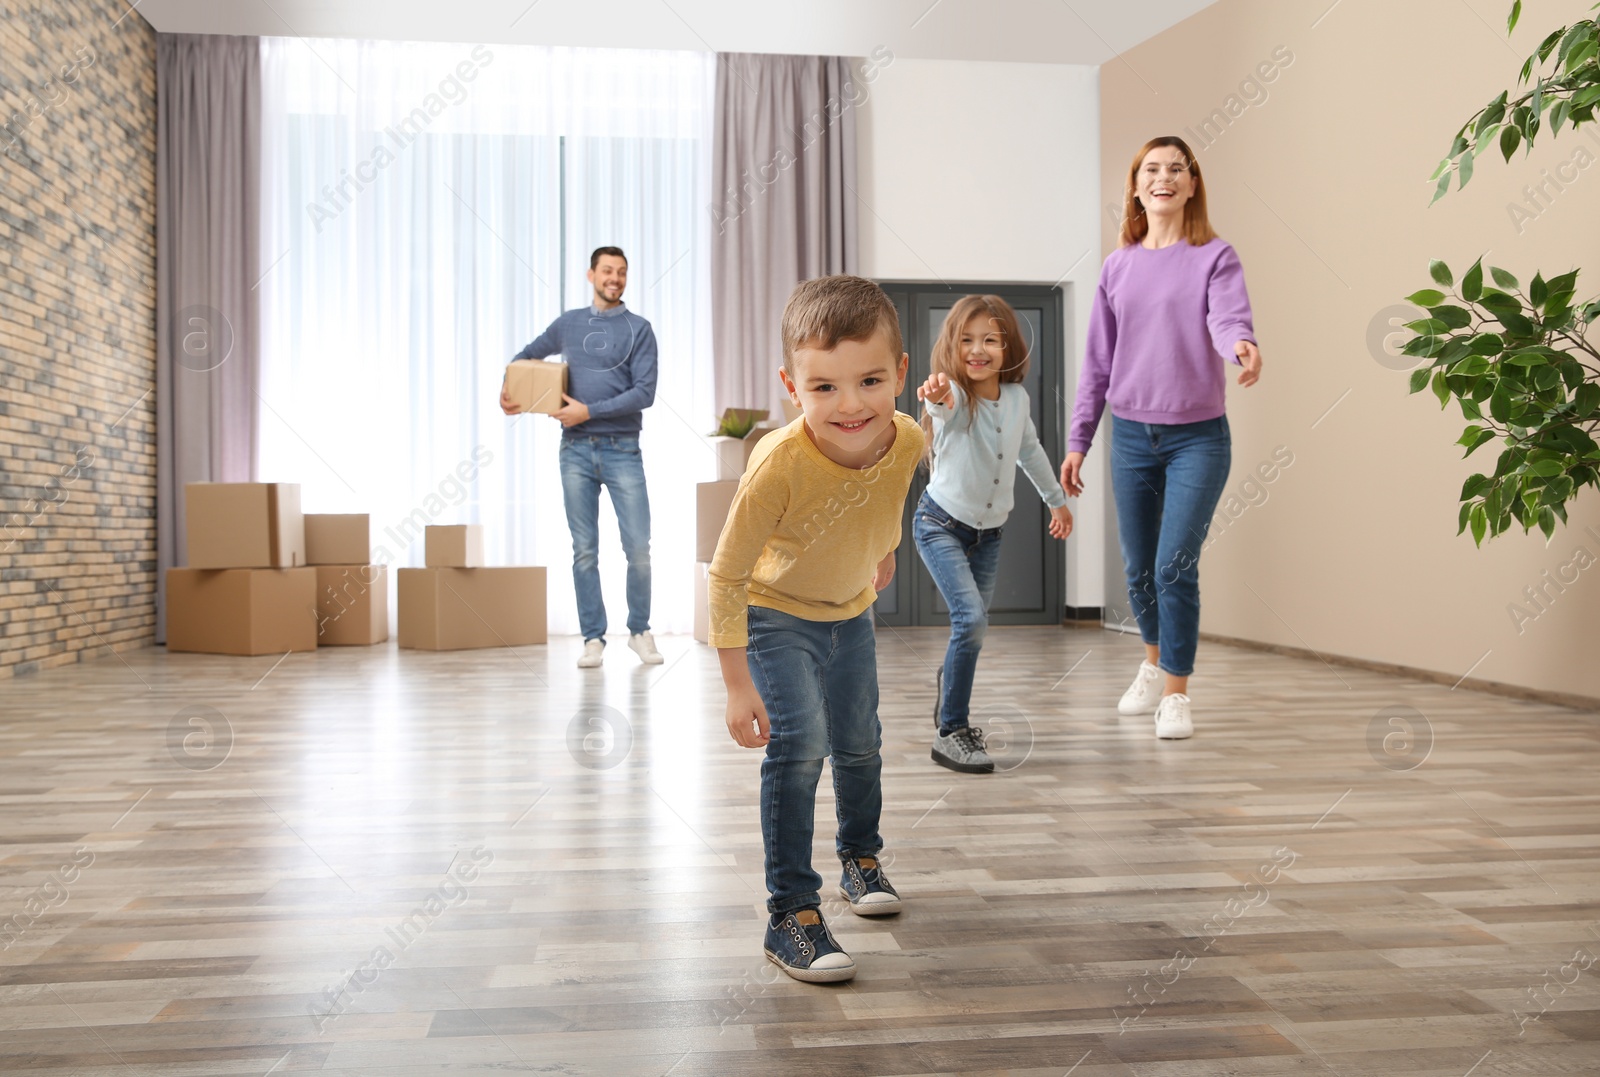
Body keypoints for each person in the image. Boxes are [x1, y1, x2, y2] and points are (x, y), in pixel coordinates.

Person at [708, 275, 923, 983]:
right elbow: (727, 573)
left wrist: (882, 550)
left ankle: (861, 860)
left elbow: (885, 500)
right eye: (824, 386)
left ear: (901, 372)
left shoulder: (910, 438)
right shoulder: (776, 463)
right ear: (791, 385)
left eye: (869, 379)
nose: (851, 403)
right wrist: (737, 684)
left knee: (860, 744)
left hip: (851, 610)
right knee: (803, 747)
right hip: (776, 613)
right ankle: (791, 913)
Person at [1061, 136, 1263, 740]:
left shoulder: (1215, 257)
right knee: (1138, 567)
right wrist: (1079, 441)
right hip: (1129, 435)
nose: (1164, 177)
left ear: (1192, 184)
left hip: (1197, 437)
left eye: (1177, 169)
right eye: (1152, 169)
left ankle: (1176, 691)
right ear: (1137, 185)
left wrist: (1240, 347)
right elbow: (1098, 361)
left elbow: (1225, 318)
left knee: (1175, 564)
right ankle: (1151, 660)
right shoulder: (1117, 266)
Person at [914, 295, 1074, 774]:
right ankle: (952, 732)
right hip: (939, 525)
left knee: (972, 628)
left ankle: (950, 702)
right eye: (966, 340)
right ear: (952, 346)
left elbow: (1030, 451)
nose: (977, 350)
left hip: (990, 535)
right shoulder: (957, 397)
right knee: (972, 622)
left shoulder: (1018, 399)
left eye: (990, 339)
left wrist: (1057, 500)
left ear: (1008, 347)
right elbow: (942, 404)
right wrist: (936, 393)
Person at [502, 246, 663, 669]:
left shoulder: (639, 328)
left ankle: (640, 631)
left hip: (623, 450)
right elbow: (524, 358)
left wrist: (588, 411)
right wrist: (512, 391)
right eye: (607, 270)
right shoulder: (569, 324)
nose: (615, 277)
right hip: (574, 451)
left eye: (622, 272)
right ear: (590, 275)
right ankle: (593, 638)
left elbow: (643, 393)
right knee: (585, 550)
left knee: (638, 549)